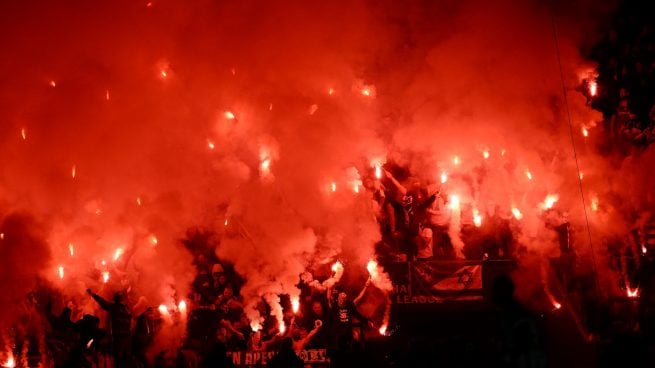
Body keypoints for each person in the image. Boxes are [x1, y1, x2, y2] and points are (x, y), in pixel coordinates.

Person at [87, 289, 132, 367]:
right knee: (125, 359)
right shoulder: (127, 309)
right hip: (127, 337)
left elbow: (103, 303)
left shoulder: (115, 307)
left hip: (118, 336)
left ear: (116, 299)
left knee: (118, 359)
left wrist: (93, 294)